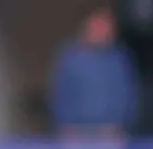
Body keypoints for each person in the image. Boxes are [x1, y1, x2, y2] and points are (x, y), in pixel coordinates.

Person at [47, 8, 136, 140]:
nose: (104, 32)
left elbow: (128, 95)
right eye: (99, 26)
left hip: (110, 133)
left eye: (107, 27)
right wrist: (65, 125)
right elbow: (59, 94)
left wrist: (120, 124)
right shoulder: (69, 58)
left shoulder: (119, 60)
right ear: (86, 27)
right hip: (75, 133)